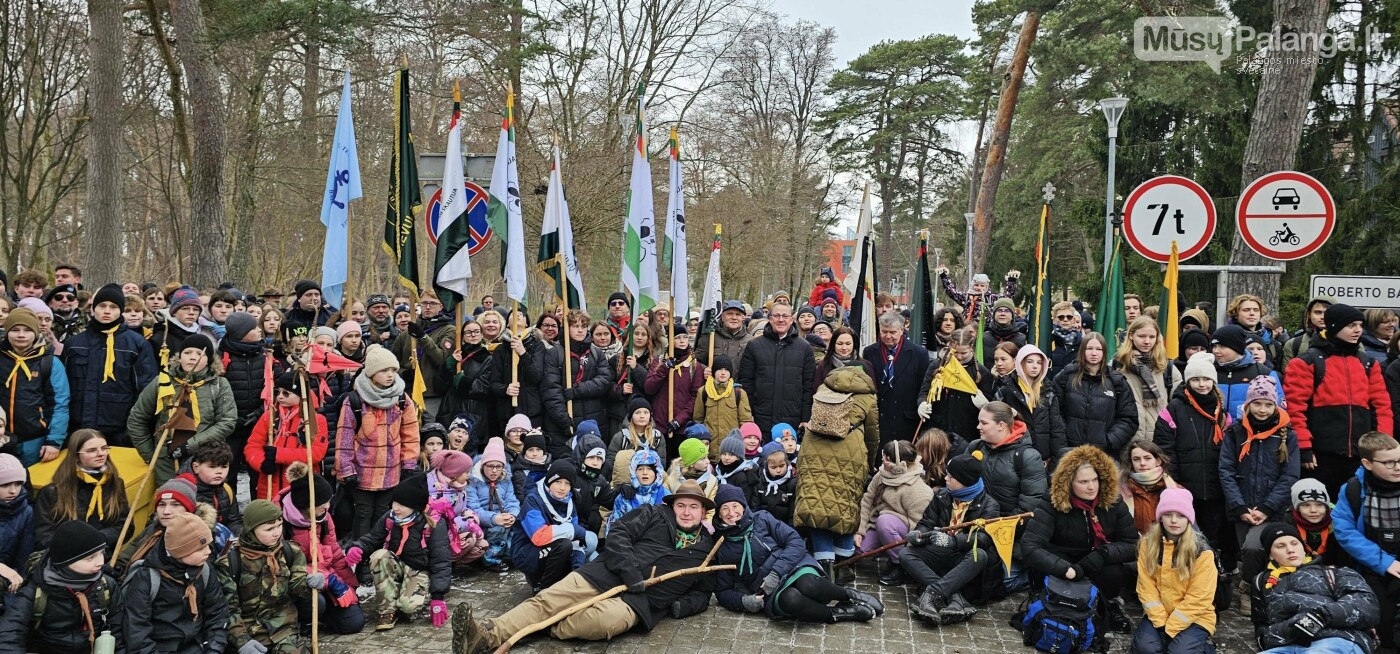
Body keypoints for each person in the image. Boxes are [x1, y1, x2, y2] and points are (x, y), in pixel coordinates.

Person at [453, 480, 718, 653]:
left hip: (638, 603)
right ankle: (487, 634)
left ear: (702, 512)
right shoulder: (653, 514)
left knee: (598, 623)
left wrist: (678, 606)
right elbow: (619, 534)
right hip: (603, 573)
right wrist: (630, 572)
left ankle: (540, 626)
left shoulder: (705, 549)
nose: (686, 512)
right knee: (547, 600)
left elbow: (704, 593)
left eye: (693, 507)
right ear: (672, 506)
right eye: (681, 505)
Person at [712, 483, 883, 624]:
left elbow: (794, 541)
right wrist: (744, 602)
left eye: (735, 506)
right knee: (791, 599)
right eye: (724, 509)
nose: (731, 513)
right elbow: (723, 591)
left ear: (743, 506)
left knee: (809, 584)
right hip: (767, 589)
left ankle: (850, 596)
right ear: (718, 514)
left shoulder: (762, 518)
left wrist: (776, 572)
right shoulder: (721, 545)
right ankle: (839, 613)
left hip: (793, 565)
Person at [1023, 444, 1139, 633]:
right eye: (1084, 482)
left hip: (1096, 558)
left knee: (1113, 571)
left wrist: (1104, 553)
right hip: (1063, 560)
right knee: (1045, 570)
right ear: (1069, 483)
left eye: (1095, 480)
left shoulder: (1113, 501)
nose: (1092, 486)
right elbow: (1030, 546)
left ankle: (1107, 605)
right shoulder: (1051, 503)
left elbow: (1132, 543)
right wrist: (1065, 569)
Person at [1285, 303, 1393, 497]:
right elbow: (1295, 409)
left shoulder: (1367, 362)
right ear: (1334, 326)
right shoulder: (1307, 362)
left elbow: (1382, 407)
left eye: (1360, 325)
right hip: (1320, 456)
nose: (1358, 330)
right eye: (1351, 325)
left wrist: (1382, 446)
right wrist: (1304, 447)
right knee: (1319, 512)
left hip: (1361, 455)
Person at [791, 364, 879, 580]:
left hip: (814, 452)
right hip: (850, 454)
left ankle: (824, 567)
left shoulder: (823, 388)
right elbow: (872, 434)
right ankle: (842, 567)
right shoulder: (867, 397)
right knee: (845, 507)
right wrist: (869, 462)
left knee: (817, 505)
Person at [1154, 351, 1236, 570]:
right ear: (1188, 381)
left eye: (1206, 379)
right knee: (1183, 536)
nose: (1202, 384)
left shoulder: (1222, 412)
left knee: (1211, 537)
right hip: (1185, 487)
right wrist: (1174, 482)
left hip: (1215, 487)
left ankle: (1209, 576)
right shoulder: (1175, 409)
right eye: (1196, 379)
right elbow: (1165, 449)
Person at [901, 454, 1001, 626]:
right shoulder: (942, 495)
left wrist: (954, 542)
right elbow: (927, 522)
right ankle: (954, 596)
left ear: (964, 481)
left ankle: (932, 594)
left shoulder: (989, 505)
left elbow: (984, 538)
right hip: (941, 553)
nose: (945, 478)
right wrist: (919, 534)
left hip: (963, 557)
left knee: (980, 555)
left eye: (950, 476)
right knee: (905, 554)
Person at [344, 473, 452, 631]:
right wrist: (357, 547)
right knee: (379, 556)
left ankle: (415, 593)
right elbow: (373, 538)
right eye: (394, 502)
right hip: (395, 565)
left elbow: (441, 561)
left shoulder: (433, 524)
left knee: (408, 606)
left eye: (402, 504)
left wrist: (438, 597)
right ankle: (387, 611)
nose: (395, 507)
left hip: (419, 569)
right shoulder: (390, 518)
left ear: (415, 506)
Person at [1250, 523, 1380, 654]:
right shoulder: (1261, 582)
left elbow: (1366, 606)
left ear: (1304, 547)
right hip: (1284, 645)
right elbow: (1261, 624)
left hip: (1335, 639)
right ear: (1271, 555)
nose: (1290, 549)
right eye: (1280, 546)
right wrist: (1267, 638)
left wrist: (1319, 617)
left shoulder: (1335, 572)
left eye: (1294, 543)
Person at [336, 344, 421, 540]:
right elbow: (345, 437)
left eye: (393, 370)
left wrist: (409, 463)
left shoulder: (401, 398)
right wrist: (346, 470)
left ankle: (379, 552)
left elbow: (410, 433)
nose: (390, 375)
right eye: (384, 371)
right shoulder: (355, 400)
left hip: (391, 471)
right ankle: (360, 554)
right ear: (372, 373)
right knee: (363, 513)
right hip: (362, 471)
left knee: (383, 513)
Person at [0, 520, 125, 654]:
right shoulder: (36, 590)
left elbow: (118, 632)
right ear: (66, 561)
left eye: (102, 553)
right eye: (90, 558)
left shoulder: (106, 586)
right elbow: (11, 633)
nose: (100, 562)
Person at [128, 333, 237, 486]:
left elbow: (227, 422)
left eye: (200, 354)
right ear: (179, 357)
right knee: (172, 502)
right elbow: (137, 418)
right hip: (166, 461)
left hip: (205, 460)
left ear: (209, 361)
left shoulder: (219, 384)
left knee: (201, 505)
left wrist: (189, 445)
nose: (193, 357)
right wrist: (151, 454)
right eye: (187, 352)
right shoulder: (163, 382)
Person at [62, 283, 157, 448]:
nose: (107, 311)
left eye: (113, 307)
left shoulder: (137, 344)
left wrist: (136, 428)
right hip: (78, 426)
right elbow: (62, 388)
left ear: (120, 310)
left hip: (120, 429)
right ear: (93, 309)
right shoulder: (74, 344)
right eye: (102, 306)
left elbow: (145, 389)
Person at [1220, 376, 1299, 572]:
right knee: (1249, 552)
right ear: (1248, 404)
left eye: (1267, 405)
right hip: (1243, 508)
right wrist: (1239, 506)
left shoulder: (1287, 435)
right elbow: (1226, 470)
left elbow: (1290, 475)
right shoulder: (1235, 433)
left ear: (1275, 406)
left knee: (1259, 549)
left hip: (1274, 509)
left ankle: (1264, 588)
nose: (1262, 410)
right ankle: (1251, 589)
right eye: (1257, 404)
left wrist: (1266, 507)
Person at [121, 512, 229, 654]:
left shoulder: (205, 571)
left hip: (197, 646)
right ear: (180, 552)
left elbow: (217, 613)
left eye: (208, 545)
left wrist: (214, 649)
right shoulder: (147, 577)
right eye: (200, 548)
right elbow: (137, 630)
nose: (208, 552)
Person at [278, 462, 365, 635]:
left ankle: (323, 618)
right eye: (322, 503)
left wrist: (349, 587)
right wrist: (330, 582)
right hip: (297, 584)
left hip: (325, 579)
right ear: (306, 505)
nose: (327, 507)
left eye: (328, 501)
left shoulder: (324, 519)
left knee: (354, 622)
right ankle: (299, 621)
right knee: (316, 602)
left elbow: (335, 555)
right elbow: (286, 565)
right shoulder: (280, 523)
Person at [1130, 487, 1218, 654]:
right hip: (1160, 613)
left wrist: (1171, 627)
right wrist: (1160, 620)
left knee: (1179, 652)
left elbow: (1200, 598)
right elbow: (1145, 587)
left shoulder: (1202, 551)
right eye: (1168, 514)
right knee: (1144, 649)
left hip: (1195, 616)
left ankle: (1206, 647)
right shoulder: (1148, 544)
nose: (1174, 520)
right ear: (1160, 517)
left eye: (1180, 515)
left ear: (1189, 519)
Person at [1333, 431, 1400, 649]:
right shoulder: (1353, 489)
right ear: (1367, 463)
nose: (1397, 467)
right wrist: (1384, 562)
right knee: (1382, 621)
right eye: (1389, 463)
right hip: (1374, 565)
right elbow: (1345, 531)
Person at [227, 499, 320, 654]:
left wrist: (309, 584)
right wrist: (242, 642)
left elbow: (296, 587)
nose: (277, 533)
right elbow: (228, 610)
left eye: (279, 525)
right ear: (252, 530)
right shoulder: (231, 562)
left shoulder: (291, 551)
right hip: (249, 633)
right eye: (269, 529)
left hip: (283, 629)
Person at [33, 428, 128, 552]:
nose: (101, 453)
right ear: (76, 456)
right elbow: (43, 536)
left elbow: (125, 526)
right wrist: (75, 550)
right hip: (66, 558)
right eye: (92, 450)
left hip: (103, 555)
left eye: (104, 448)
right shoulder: (52, 492)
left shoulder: (115, 483)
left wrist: (98, 540)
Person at [509, 460, 596, 591]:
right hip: (527, 552)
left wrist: (577, 570)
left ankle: (567, 584)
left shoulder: (569, 501)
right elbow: (539, 536)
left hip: (553, 550)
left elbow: (576, 541)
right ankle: (542, 588)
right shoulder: (533, 499)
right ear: (549, 481)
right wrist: (573, 530)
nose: (562, 488)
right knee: (564, 545)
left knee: (591, 550)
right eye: (558, 482)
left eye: (567, 484)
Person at [855, 440, 933, 584]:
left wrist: (910, 556)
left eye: (886, 458)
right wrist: (860, 531)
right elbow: (867, 501)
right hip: (878, 525)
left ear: (897, 465)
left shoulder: (919, 491)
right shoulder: (882, 475)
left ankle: (901, 565)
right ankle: (888, 549)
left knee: (884, 521)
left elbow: (919, 528)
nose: (882, 459)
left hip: (900, 529)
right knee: (859, 550)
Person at [245, 370, 329, 501]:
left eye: (286, 393)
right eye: (278, 392)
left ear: (301, 395)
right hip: (269, 483)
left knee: (297, 518)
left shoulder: (316, 419)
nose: (280, 397)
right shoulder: (270, 416)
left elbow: (316, 453)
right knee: (271, 518)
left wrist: (278, 454)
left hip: (300, 484)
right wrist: (261, 463)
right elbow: (252, 445)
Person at [0, 307, 70, 465]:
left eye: (27, 330)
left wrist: (54, 440)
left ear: (36, 332)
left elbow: (60, 403)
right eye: (15, 330)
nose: (21, 335)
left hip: (34, 440)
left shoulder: (49, 363)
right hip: (2, 438)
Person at [1053, 331, 1138, 461]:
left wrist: (1110, 441)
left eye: (1098, 349)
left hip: (1104, 455)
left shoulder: (1117, 381)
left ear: (1104, 352)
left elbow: (1129, 418)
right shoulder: (1066, 376)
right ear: (1082, 351)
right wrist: (1063, 438)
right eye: (1089, 348)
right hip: (1070, 451)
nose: (1094, 353)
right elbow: (1054, 412)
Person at [219, 310, 277, 490]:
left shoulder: (264, 356)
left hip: (258, 424)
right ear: (242, 334)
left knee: (258, 472)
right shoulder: (222, 358)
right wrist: (233, 419)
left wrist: (260, 412)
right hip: (231, 428)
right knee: (228, 474)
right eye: (254, 328)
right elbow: (217, 394)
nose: (260, 330)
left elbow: (275, 389)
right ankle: (229, 513)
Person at [541, 310, 614, 455]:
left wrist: (576, 390)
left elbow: (604, 381)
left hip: (594, 421)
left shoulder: (596, 353)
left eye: (584, 325)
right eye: (575, 326)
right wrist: (565, 422)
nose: (580, 330)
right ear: (567, 328)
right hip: (564, 426)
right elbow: (550, 391)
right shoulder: (555, 354)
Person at [739, 301, 815, 435]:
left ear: (792, 320)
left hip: (792, 419)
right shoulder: (754, 346)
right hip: (760, 418)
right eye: (777, 316)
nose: (781, 320)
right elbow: (746, 384)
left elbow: (808, 386)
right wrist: (748, 414)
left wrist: (805, 417)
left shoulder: (804, 348)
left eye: (785, 316)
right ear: (770, 318)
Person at [863, 311, 930, 447]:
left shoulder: (919, 353)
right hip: (880, 418)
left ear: (901, 330)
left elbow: (923, 386)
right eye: (884, 332)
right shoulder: (869, 352)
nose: (888, 336)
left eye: (892, 332)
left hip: (906, 420)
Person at [918, 328, 993, 445]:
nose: (959, 357)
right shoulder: (937, 366)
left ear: (971, 348)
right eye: (955, 352)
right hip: (939, 429)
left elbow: (990, 402)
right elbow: (925, 390)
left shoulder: (982, 373)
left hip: (968, 432)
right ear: (949, 347)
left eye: (964, 353)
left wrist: (985, 405)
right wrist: (922, 403)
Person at [995, 343, 1064, 462]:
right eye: (1030, 361)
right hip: (1015, 457)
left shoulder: (1049, 391)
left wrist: (1058, 459)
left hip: (1043, 459)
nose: (1035, 366)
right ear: (1020, 363)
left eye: (1039, 362)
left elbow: (1056, 428)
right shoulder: (1006, 391)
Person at [1116, 317, 1180, 442]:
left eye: (1152, 337)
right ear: (1131, 335)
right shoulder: (1117, 365)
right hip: (1126, 439)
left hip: (1159, 439)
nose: (1147, 341)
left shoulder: (1167, 368)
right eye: (1142, 336)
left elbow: (1178, 407)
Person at [644, 324, 705, 448]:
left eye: (685, 337)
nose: (682, 341)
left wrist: (679, 420)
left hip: (682, 428)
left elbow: (695, 397)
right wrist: (664, 369)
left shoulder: (694, 366)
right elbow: (649, 388)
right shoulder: (658, 361)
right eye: (677, 338)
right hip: (660, 425)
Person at [466, 437, 518, 571]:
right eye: (490, 466)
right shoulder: (473, 481)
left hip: (502, 517)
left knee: (517, 527)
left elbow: (512, 501)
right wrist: (494, 518)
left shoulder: (506, 480)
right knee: (497, 529)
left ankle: (509, 554)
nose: (494, 471)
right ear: (483, 465)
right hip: (483, 521)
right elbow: (473, 508)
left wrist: (512, 514)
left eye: (498, 466)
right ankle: (491, 560)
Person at [1212, 323, 1285, 420]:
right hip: (1214, 432)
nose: (1216, 350)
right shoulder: (1209, 372)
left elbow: (1278, 410)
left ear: (1237, 347)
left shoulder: (1264, 373)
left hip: (1249, 433)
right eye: (1214, 346)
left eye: (1222, 346)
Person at [692, 355, 752, 455]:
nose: (723, 373)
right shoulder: (703, 392)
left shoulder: (739, 393)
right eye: (719, 369)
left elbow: (745, 422)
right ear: (714, 371)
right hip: (709, 449)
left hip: (732, 450)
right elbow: (698, 419)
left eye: (726, 370)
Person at [1120, 439, 1181, 535]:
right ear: (1131, 463)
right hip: (1132, 545)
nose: (1142, 463)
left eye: (1147, 458)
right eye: (1136, 459)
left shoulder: (1177, 490)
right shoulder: (1120, 490)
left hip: (1167, 545)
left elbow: (1190, 528)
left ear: (1158, 461)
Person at [605, 397, 666, 486]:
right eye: (637, 413)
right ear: (631, 416)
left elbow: (661, 464)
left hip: (650, 481)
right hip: (625, 482)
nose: (642, 416)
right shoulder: (621, 437)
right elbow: (611, 464)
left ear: (650, 415)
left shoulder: (657, 437)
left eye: (646, 412)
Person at [187, 440, 241, 533]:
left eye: (224, 467)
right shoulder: (183, 492)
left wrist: (241, 535)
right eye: (212, 466)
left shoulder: (227, 490)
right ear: (196, 467)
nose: (219, 471)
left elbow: (233, 521)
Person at [937, 266, 1020, 325]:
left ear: (986, 287)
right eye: (976, 285)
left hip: (986, 329)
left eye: (982, 286)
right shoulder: (967, 298)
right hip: (968, 328)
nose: (979, 288)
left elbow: (1008, 298)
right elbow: (952, 293)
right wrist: (944, 277)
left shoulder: (991, 298)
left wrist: (1012, 281)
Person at [0, 453, 33, 569]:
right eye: (5, 485)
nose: (13, 491)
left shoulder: (26, 512)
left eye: (18, 484)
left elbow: (23, 557)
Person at [696, 300, 754, 366]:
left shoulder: (751, 341)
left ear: (743, 317)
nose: (734, 318)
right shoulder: (710, 337)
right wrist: (704, 370)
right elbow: (697, 362)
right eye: (730, 314)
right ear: (722, 316)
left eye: (738, 314)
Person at [752, 442, 796, 524]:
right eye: (773, 467)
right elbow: (755, 507)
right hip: (764, 526)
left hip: (786, 528)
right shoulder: (760, 482)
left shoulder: (792, 483)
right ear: (766, 466)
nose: (778, 470)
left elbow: (793, 512)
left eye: (781, 466)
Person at [980, 298, 1027, 367]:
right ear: (994, 314)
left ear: (1012, 315)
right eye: (999, 310)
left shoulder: (1022, 339)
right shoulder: (983, 338)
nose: (1002, 313)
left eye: (1007, 311)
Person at [1047, 301, 1084, 379]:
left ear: (1073, 320)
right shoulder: (1047, 340)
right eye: (1061, 317)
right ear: (1054, 320)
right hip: (1052, 387)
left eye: (1069, 317)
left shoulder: (1083, 342)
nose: (1065, 320)